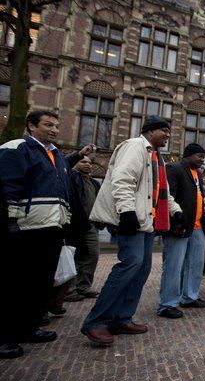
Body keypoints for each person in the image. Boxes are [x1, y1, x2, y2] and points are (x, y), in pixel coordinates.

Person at [81, 115, 183, 346]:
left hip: (146, 222)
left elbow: (161, 191)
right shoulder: (134, 147)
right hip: (133, 221)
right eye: (164, 130)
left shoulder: (156, 158)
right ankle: (96, 321)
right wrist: (126, 212)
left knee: (141, 268)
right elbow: (122, 180)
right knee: (129, 265)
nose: (168, 135)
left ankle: (122, 318)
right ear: (150, 131)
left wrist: (175, 211)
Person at [0, 110, 72, 359]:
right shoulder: (17, 147)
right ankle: (5, 337)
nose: (53, 129)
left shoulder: (56, 155)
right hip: (26, 228)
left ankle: (29, 328)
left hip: (51, 228)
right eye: (48, 125)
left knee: (41, 283)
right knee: (16, 285)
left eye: (56, 125)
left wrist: (66, 221)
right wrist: (10, 219)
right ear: (31, 126)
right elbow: (8, 185)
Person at [157, 143, 205, 319]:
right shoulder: (174, 168)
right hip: (179, 225)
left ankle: (189, 297)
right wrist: (175, 221)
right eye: (199, 156)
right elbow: (167, 197)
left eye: (204, 156)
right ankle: (167, 304)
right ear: (188, 155)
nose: (202, 160)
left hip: (197, 226)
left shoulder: (199, 173)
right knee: (173, 266)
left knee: (196, 264)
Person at [52, 151, 102, 312]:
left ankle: (84, 286)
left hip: (91, 225)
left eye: (89, 162)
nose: (87, 164)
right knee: (72, 256)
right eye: (83, 162)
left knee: (92, 254)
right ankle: (69, 290)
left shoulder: (94, 183)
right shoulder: (71, 179)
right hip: (74, 224)